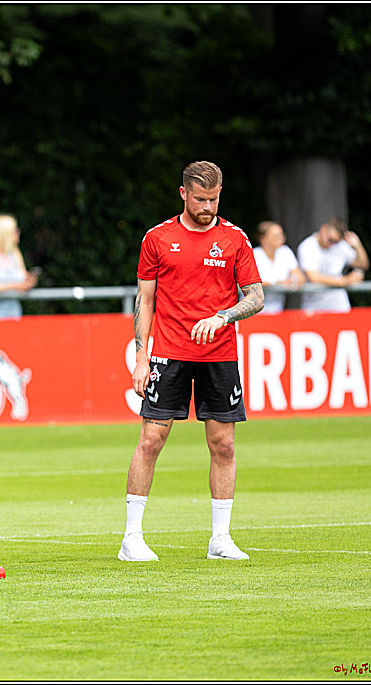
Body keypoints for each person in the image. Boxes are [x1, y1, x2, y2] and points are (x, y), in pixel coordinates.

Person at [120, 161, 264, 563]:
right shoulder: (158, 238)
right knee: (151, 440)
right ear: (183, 193)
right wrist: (141, 357)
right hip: (169, 354)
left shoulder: (234, 238)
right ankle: (132, 538)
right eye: (200, 199)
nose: (207, 206)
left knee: (224, 444)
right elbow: (145, 300)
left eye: (214, 199)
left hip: (220, 355)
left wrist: (223, 316)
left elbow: (256, 297)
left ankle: (220, 539)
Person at [296, 217, 370, 313]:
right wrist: (346, 281)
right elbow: (314, 278)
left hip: (339, 305)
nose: (331, 244)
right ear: (323, 229)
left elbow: (363, 264)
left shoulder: (341, 246)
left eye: (335, 242)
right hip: (313, 306)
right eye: (330, 239)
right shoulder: (307, 246)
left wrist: (357, 245)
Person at [252, 221, 305, 315]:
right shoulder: (253, 255)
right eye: (275, 236)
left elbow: (299, 276)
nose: (281, 239)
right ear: (263, 239)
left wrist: (294, 280)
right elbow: (250, 282)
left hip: (277, 311)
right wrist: (278, 283)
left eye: (281, 235)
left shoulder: (285, 252)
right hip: (253, 313)